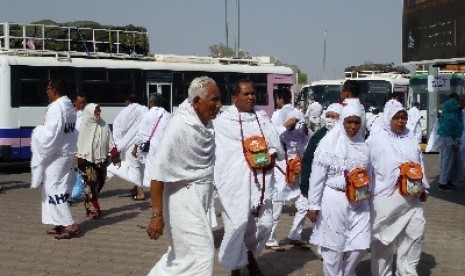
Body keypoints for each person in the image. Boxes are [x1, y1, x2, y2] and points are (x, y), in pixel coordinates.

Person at [146, 76, 221, 276]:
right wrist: (156, 215)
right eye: (214, 100)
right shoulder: (179, 126)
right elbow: (157, 173)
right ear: (197, 101)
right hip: (182, 202)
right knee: (203, 255)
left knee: (181, 257)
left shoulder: (206, 125)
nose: (219, 104)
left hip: (199, 202)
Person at [214, 79, 283, 276]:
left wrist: (271, 156)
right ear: (234, 97)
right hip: (235, 184)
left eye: (253, 93)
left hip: (262, 183)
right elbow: (221, 155)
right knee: (237, 226)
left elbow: (275, 144)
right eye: (246, 94)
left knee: (264, 225)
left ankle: (250, 256)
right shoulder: (223, 122)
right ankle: (236, 266)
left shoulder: (261, 116)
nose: (251, 97)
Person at [367, 99, 429, 276]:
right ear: (388, 118)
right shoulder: (375, 141)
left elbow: (419, 165)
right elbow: (368, 169)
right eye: (397, 118)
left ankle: (407, 272)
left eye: (404, 117)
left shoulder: (410, 140)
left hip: (411, 199)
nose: (401, 121)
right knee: (383, 243)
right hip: (385, 201)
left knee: (415, 234)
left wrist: (423, 187)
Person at [307, 105, 371, 276]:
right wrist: (313, 204)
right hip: (334, 199)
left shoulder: (363, 145)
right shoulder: (329, 143)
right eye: (349, 122)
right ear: (342, 122)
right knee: (333, 250)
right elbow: (317, 176)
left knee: (361, 245)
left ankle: (347, 272)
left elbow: (368, 173)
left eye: (357, 122)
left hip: (359, 200)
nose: (353, 126)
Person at [30, 79, 79, 240]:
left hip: (58, 154)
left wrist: (38, 134)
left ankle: (70, 224)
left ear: (55, 91)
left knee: (53, 188)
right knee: (61, 187)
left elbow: (52, 134)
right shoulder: (68, 106)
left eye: (48, 89)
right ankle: (59, 222)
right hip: (67, 152)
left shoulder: (56, 107)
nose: (46, 91)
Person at [266, 87, 309, 251]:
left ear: (279, 99)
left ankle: (295, 234)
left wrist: (304, 130)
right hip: (282, 164)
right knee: (277, 201)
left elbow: (306, 138)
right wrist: (287, 126)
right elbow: (272, 136)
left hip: (297, 163)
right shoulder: (279, 116)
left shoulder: (298, 113)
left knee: (304, 201)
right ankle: (270, 237)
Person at [76, 103, 120, 219]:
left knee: (99, 183)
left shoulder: (104, 124)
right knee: (90, 185)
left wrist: (115, 157)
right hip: (86, 160)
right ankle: (93, 209)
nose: (99, 113)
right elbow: (78, 143)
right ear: (90, 112)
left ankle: (92, 202)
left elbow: (110, 141)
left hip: (101, 161)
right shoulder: (83, 124)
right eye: (96, 112)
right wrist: (79, 159)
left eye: (99, 111)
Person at [107, 94, 147, 199]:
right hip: (142, 143)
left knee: (134, 167)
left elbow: (118, 127)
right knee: (140, 166)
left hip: (131, 144)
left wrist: (119, 142)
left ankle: (140, 192)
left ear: (127, 101)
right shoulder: (144, 110)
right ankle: (136, 188)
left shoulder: (125, 112)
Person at [300, 103, 342, 198]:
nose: (330, 119)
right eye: (328, 116)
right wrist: (305, 185)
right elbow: (308, 160)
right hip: (321, 185)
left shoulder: (345, 137)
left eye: (333, 117)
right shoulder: (319, 135)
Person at [132, 93, 171, 188]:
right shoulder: (168, 115)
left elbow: (141, 133)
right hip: (164, 148)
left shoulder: (148, 115)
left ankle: (155, 199)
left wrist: (135, 147)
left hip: (152, 149)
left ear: (151, 102)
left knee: (152, 173)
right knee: (162, 172)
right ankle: (162, 195)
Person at [437, 93, 464, 190]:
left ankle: (448, 181)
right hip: (449, 142)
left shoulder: (453, 115)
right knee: (447, 163)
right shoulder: (450, 117)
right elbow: (446, 132)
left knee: (452, 163)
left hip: (453, 141)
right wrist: (452, 144)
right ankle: (442, 183)